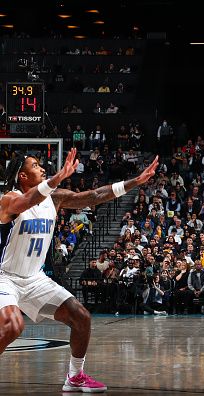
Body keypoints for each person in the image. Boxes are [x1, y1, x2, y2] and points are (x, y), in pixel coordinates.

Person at [0, 148, 158, 393]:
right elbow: (26, 202)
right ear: (22, 176)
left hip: (35, 279)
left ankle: (75, 376)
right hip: (5, 277)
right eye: (35, 166)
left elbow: (93, 195)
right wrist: (57, 178)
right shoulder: (8, 199)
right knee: (13, 325)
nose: (42, 168)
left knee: (81, 317)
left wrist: (134, 182)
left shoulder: (54, 197)